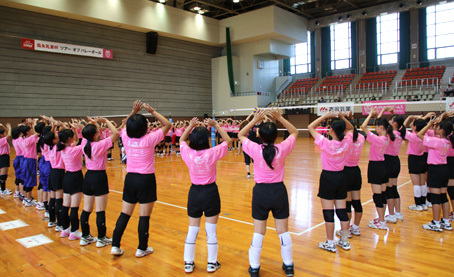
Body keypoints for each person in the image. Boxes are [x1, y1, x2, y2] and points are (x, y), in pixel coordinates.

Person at [238, 108, 298, 277]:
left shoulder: (255, 149)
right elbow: (294, 132)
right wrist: (280, 118)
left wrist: (253, 120)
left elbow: (241, 135)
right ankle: (288, 266)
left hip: (261, 192)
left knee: (259, 231)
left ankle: (255, 268)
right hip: (279, 191)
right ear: (276, 136)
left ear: (259, 136)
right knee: (283, 231)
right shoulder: (282, 148)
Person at [111, 100, 171, 257]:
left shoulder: (125, 137)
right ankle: (141, 248)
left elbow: (122, 126)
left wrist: (133, 111)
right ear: (145, 128)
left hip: (130, 179)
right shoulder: (149, 139)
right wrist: (152, 111)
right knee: (144, 216)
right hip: (146, 180)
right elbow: (167, 125)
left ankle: (115, 246)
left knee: (125, 213)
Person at [179, 117, 231, 273]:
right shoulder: (212, 153)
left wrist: (189, 125)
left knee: (192, 230)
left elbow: (181, 139)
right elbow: (228, 140)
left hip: (194, 193)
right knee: (211, 231)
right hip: (210, 193)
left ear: (193, 140)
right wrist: (216, 126)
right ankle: (211, 263)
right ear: (207, 139)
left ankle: (188, 263)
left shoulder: (188, 153)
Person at [308, 111, 353, 252]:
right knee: (342, 211)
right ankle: (344, 241)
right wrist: (342, 117)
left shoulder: (325, 143)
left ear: (331, 130)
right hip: (341, 177)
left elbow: (310, 127)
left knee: (328, 212)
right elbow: (351, 128)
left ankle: (330, 242)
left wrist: (325, 116)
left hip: (328, 178)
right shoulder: (347, 142)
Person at [79, 117, 119, 247]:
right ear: (96, 134)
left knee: (87, 209)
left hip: (88, 176)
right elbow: (116, 133)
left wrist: (93, 124)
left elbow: (89, 133)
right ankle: (101, 238)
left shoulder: (84, 143)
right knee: (100, 210)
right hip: (99, 177)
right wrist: (106, 120)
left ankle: (85, 236)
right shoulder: (100, 145)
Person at [417, 112, 454, 231]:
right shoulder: (446, 141)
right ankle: (446, 221)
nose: (435, 128)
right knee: (443, 196)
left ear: (442, 130)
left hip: (435, 170)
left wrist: (429, 124)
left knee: (435, 198)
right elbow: (435, 134)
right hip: (444, 169)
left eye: (438, 127)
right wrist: (438, 122)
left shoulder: (437, 142)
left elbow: (420, 134)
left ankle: (436, 222)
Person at [361, 107, 394, 230]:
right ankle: (382, 219)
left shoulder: (378, 139)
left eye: (376, 126)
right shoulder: (386, 137)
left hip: (375, 167)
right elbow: (380, 124)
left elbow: (364, 127)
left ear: (380, 128)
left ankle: (381, 221)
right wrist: (378, 114)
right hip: (383, 166)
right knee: (382, 194)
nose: (375, 128)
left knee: (377, 196)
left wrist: (369, 115)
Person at [378, 107, 405, 223]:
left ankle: (392, 214)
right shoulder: (399, 133)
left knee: (389, 190)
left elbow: (379, 122)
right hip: (396, 161)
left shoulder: (390, 133)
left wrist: (383, 110)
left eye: (391, 119)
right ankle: (398, 213)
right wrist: (393, 113)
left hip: (388, 161)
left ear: (394, 123)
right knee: (394, 188)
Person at [57, 126, 84, 240]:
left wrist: (75, 131)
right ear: (69, 139)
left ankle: (65, 229)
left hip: (66, 176)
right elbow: (83, 143)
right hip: (75, 177)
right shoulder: (74, 150)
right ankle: (74, 231)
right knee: (74, 207)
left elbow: (77, 141)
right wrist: (82, 130)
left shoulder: (63, 149)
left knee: (65, 205)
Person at [341, 113, 365, 237]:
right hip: (356, 172)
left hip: (346, 172)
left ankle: (346, 231)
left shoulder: (346, 139)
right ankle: (355, 228)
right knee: (357, 202)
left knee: (347, 204)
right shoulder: (361, 138)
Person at [42, 118, 65, 231]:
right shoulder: (58, 147)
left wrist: (54, 126)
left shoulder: (47, 146)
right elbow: (66, 136)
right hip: (59, 173)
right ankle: (60, 224)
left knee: (52, 198)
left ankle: (52, 220)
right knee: (59, 199)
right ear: (54, 140)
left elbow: (50, 136)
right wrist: (63, 127)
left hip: (52, 173)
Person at [404, 114, 429, 211]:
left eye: (413, 124)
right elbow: (418, 126)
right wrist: (418, 120)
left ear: (415, 127)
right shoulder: (425, 135)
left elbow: (401, 128)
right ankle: (423, 203)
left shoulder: (413, 136)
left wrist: (410, 117)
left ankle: (418, 204)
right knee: (422, 182)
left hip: (414, 159)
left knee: (416, 184)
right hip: (422, 158)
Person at [0, 123, 12, 195]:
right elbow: (9, 135)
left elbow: (6, 133)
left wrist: (2, 126)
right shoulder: (2, 140)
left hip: (3, 157)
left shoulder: (2, 140)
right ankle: (3, 190)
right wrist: (9, 127)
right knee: (3, 174)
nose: (5, 133)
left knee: (1, 174)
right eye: (4, 133)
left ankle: (2, 189)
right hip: (3, 157)